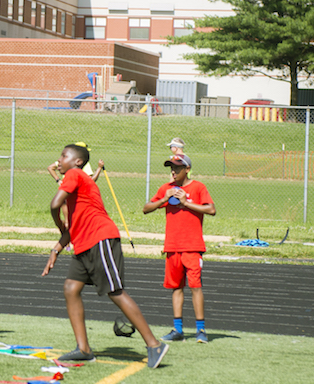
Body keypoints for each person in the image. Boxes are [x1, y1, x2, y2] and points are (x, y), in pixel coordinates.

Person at [41, 143, 167, 368]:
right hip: (83, 244)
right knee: (71, 288)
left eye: (63, 155)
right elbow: (74, 227)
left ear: (78, 162)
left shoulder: (74, 174)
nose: (59, 160)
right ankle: (83, 349)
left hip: (100, 239)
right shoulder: (77, 180)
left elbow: (54, 205)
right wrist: (56, 250)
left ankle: (154, 344)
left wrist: (59, 224)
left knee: (115, 292)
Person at [142, 153, 216, 344]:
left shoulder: (198, 187)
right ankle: (178, 330)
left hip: (192, 246)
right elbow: (146, 208)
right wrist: (163, 199)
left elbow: (211, 209)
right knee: (176, 288)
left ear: (187, 169)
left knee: (195, 287)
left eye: (177, 167)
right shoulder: (166, 189)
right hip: (172, 247)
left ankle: (201, 330)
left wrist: (186, 203)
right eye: (171, 167)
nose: (173, 171)